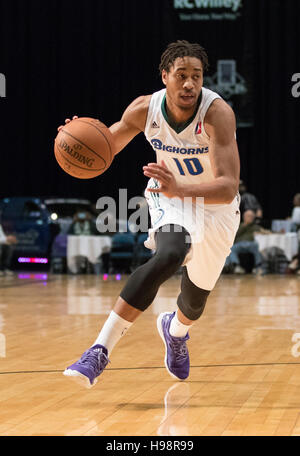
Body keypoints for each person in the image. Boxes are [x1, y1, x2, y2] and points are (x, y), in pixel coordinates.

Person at [61, 40, 241, 388]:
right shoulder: (145, 110)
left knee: (194, 303)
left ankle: (175, 332)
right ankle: (99, 350)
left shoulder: (217, 113)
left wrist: (183, 188)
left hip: (215, 205)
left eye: (197, 76)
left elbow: (228, 186)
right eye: (181, 75)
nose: (189, 84)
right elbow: (106, 145)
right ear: (165, 77)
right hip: (169, 198)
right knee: (170, 253)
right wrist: (76, 137)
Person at [224, 209, 264, 274]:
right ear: (244, 217)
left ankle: (258, 267)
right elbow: (235, 235)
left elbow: (264, 232)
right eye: (248, 216)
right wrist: (245, 225)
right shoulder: (239, 225)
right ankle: (236, 266)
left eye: (251, 216)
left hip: (252, 244)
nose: (250, 218)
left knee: (259, 247)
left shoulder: (256, 227)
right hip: (239, 244)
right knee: (231, 249)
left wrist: (261, 233)